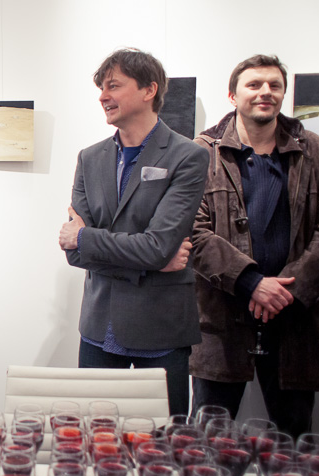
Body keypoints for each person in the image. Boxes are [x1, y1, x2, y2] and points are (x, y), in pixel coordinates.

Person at [189, 55, 319, 437]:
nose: (266, 92)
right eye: (254, 84)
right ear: (232, 95)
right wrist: (251, 283)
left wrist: (282, 292)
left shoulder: (317, 151)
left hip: (295, 321)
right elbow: (193, 231)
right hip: (221, 321)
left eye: (275, 85)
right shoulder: (201, 153)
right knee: (208, 441)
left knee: (294, 441)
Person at [59, 48, 208, 416]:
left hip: (160, 330)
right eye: (101, 88)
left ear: (148, 90)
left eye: (113, 86)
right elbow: (74, 252)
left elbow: (156, 246)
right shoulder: (89, 157)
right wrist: (150, 262)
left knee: (163, 441)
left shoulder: (187, 156)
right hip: (98, 328)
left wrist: (87, 238)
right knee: (94, 435)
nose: (102, 96)